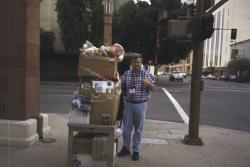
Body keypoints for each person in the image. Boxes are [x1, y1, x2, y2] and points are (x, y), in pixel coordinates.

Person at [117, 54, 156, 161]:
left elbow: (153, 88)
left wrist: (148, 84)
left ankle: (136, 150)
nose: (136, 64)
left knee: (138, 129)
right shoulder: (126, 74)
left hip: (141, 104)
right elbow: (122, 88)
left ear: (141, 63)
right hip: (128, 104)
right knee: (126, 129)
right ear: (131, 64)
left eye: (138, 62)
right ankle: (125, 148)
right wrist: (118, 82)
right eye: (134, 62)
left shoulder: (147, 75)